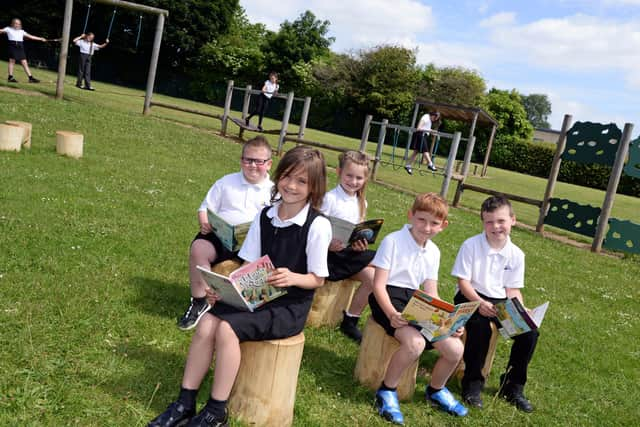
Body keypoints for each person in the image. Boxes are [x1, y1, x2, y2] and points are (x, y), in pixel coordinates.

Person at [148, 146, 331, 427]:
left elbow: (317, 278)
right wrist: (222, 290)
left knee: (226, 328)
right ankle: (185, 402)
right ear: (278, 176)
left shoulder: (318, 226)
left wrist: (293, 277)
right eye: (288, 177)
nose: (292, 186)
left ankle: (215, 410)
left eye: (302, 181)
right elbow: (248, 263)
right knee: (207, 321)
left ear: (314, 187)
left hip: (289, 305)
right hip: (257, 291)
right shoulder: (265, 215)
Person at [369, 192, 468, 424]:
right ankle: (387, 390)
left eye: (434, 223)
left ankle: (435, 390)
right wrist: (392, 314)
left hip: (416, 302)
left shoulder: (434, 251)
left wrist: (448, 322)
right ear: (411, 215)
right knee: (415, 343)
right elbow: (378, 284)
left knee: (455, 349)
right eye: (421, 220)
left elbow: (431, 292)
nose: (426, 227)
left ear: (443, 226)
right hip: (388, 298)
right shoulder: (393, 241)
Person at [177, 136, 274, 331]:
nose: (253, 165)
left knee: (266, 261)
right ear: (241, 160)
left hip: (255, 244)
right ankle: (200, 300)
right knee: (199, 247)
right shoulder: (226, 182)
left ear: (269, 164)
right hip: (221, 237)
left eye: (259, 161)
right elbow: (205, 207)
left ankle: (247, 307)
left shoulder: (274, 191)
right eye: (248, 160)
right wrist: (204, 223)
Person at [452, 195, 538, 412]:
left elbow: (512, 289)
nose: (495, 227)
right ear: (483, 222)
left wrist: (520, 309)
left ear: (513, 220)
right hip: (470, 296)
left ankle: (512, 386)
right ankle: (472, 384)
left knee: (528, 333)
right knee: (480, 327)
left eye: (501, 221)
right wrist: (479, 302)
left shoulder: (516, 254)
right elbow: (463, 282)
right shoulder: (471, 245)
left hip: (499, 301)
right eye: (489, 222)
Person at [321, 151, 375, 343]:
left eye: (359, 177)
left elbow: (358, 231)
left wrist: (360, 243)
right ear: (339, 172)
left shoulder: (362, 202)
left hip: (348, 253)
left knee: (374, 277)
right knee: (378, 259)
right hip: (330, 256)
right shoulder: (329, 198)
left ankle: (350, 320)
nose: (353, 181)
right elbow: (316, 230)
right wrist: (328, 245)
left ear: (365, 178)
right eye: (349, 176)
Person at [1, 18, 47, 83]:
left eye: (18, 24)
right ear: (13, 24)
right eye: (16, 23)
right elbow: (1, 30)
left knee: (24, 63)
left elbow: (31, 37)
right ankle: (10, 77)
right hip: (13, 46)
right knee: (12, 61)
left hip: (20, 47)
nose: (17, 25)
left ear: (20, 25)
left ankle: (31, 78)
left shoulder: (22, 31)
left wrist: (41, 39)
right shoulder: (8, 29)